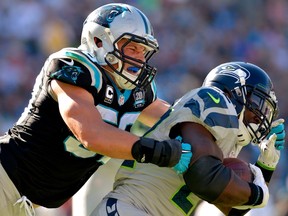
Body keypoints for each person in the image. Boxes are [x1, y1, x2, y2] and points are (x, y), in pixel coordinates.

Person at [0, 3, 192, 216]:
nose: (139, 58)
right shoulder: (74, 67)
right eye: (132, 48)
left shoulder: (137, 91)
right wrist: (158, 151)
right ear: (100, 41)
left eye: (144, 51)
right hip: (4, 178)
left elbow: (173, 119)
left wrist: (207, 132)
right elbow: (91, 133)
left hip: (23, 203)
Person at [92, 61, 285, 216]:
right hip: (131, 207)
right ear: (233, 92)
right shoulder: (213, 100)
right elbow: (204, 178)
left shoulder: (228, 138)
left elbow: (233, 208)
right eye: (258, 103)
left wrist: (265, 168)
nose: (261, 116)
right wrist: (260, 195)